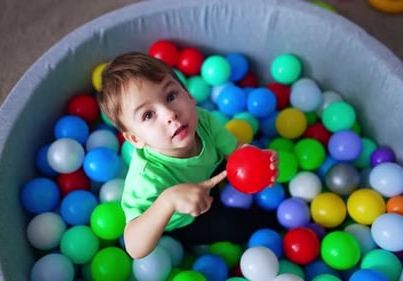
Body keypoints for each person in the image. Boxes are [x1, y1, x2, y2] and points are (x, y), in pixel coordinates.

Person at [97, 52, 279, 259]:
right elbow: (134, 246)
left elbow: (236, 153)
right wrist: (168, 201)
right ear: (135, 139)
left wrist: (259, 162)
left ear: (189, 96)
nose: (169, 114)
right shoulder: (148, 177)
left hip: (214, 175)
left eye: (171, 96)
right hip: (186, 219)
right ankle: (275, 224)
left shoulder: (202, 120)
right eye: (148, 115)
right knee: (235, 225)